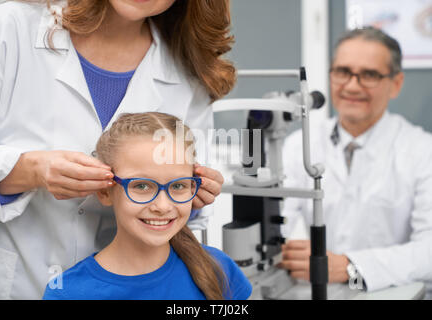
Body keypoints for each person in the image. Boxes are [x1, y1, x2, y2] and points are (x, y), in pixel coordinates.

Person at [0, 0, 234, 299]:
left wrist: (191, 194)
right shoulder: (10, 28)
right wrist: (30, 170)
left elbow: (178, 211)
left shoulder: (188, 69)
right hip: (15, 282)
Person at [279, 27, 432, 298]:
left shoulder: (422, 151)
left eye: (369, 75)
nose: (351, 86)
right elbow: (280, 223)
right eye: (342, 72)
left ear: (396, 83)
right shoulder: (299, 146)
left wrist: (350, 266)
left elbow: (429, 249)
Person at [42, 112, 252, 300]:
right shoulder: (68, 293)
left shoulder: (219, 267)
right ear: (106, 191)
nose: (162, 206)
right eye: (142, 186)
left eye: (178, 185)